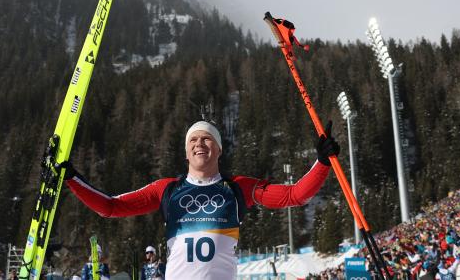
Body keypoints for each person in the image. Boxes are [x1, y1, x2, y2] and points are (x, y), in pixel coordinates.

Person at [61, 120, 339, 280]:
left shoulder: (237, 187)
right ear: (186, 152)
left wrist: (323, 161)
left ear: (218, 149)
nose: (199, 144)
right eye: (193, 140)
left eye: (207, 139)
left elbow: (295, 195)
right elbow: (110, 207)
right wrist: (72, 178)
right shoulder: (167, 189)